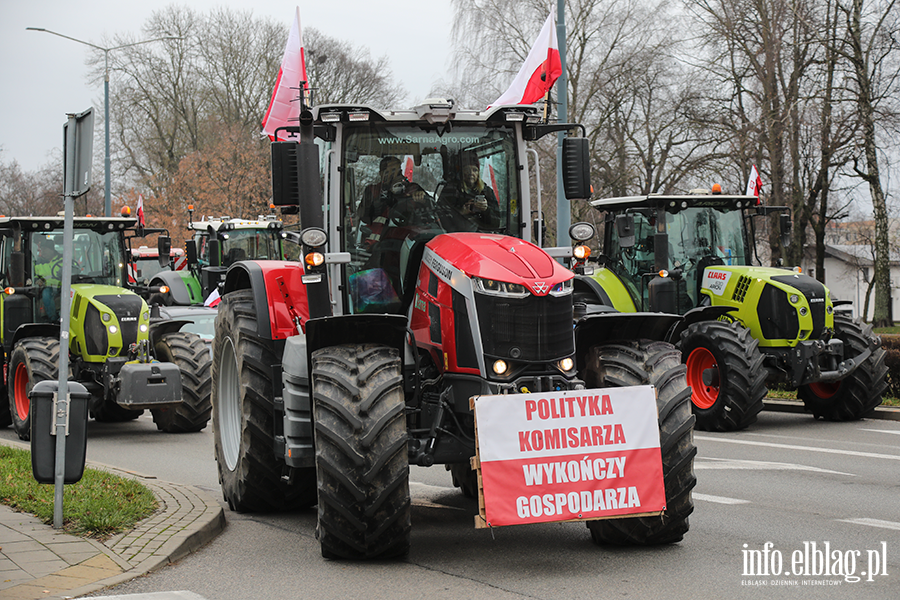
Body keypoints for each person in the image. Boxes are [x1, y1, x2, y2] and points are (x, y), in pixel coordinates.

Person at [438, 159, 500, 231]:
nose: (471, 173)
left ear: (478, 173)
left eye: (475, 170)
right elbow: (440, 219)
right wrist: (461, 212)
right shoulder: (450, 190)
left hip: (482, 236)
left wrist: (486, 210)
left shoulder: (487, 192)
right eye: (467, 170)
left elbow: (496, 224)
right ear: (461, 172)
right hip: (456, 235)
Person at [34, 239, 62, 321]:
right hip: (47, 287)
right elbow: (34, 274)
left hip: (61, 286)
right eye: (42, 249)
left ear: (52, 250)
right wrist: (37, 280)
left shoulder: (63, 260)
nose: (43, 252)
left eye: (45, 249)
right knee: (46, 294)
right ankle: (53, 319)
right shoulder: (38, 262)